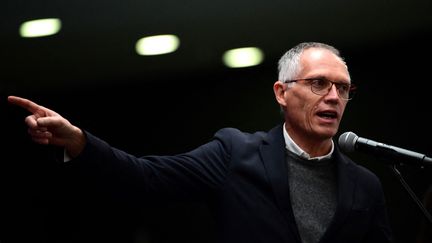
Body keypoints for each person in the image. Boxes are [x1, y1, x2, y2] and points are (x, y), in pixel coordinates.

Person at [8, 42, 393, 243]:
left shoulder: (365, 185)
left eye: (343, 89)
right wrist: (79, 141)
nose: (333, 97)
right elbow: (145, 178)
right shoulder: (235, 153)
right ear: (281, 92)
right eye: (318, 83)